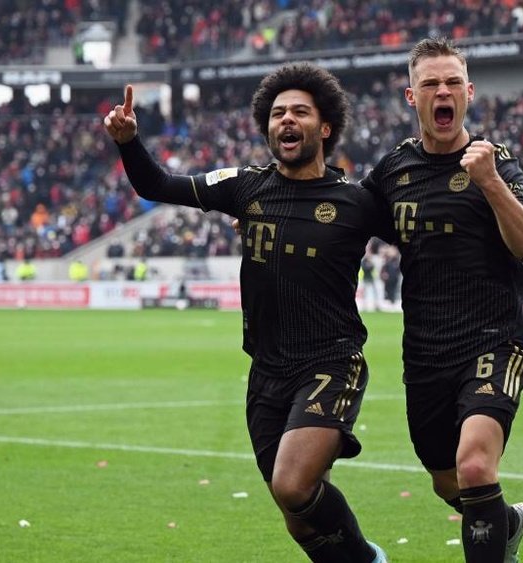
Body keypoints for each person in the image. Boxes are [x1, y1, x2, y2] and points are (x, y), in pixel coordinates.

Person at [104, 63, 390, 562]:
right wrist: (129, 142)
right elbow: (158, 185)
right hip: (267, 372)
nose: (286, 120)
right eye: (278, 113)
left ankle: (369, 560)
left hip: (331, 362)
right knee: (298, 519)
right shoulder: (244, 186)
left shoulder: (357, 201)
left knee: (293, 484)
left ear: (324, 128)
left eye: (300, 111)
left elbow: (425, 235)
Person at [361, 37, 523, 562]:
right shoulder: (393, 171)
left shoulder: (496, 161)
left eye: (452, 83)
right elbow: (347, 219)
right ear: (412, 96)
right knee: (448, 481)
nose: (442, 91)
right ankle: (506, 522)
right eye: (430, 84)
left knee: (474, 468)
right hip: (426, 352)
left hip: (497, 338)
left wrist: (490, 181)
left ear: (468, 93)